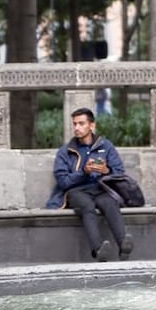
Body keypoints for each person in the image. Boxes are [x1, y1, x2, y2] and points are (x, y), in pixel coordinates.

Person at [45, 107, 134, 261]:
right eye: (75, 124)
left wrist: (106, 170)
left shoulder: (106, 146)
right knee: (87, 206)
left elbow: (119, 174)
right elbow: (63, 181)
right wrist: (84, 172)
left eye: (81, 124)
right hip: (75, 192)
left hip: (100, 189)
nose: (77, 128)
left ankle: (123, 247)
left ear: (92, 126)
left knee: (110, 204)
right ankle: (98, 249)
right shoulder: (65, 151)